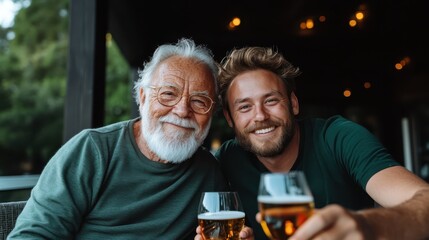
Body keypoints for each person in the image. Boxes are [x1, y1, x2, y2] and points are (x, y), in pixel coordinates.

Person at [8, 38, 233, 239]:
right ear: (143, 98)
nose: (183, 110)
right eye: (168, 94)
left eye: (199, 101)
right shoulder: (91, 150)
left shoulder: (208, 172)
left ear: (211, 113)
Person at [197, 46, 429, 239]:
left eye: (271, 100)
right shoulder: (228, 159)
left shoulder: (338, 137)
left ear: (293, 103)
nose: (260, 116)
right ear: (229, 118)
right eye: (244, 107)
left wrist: (368, 225)